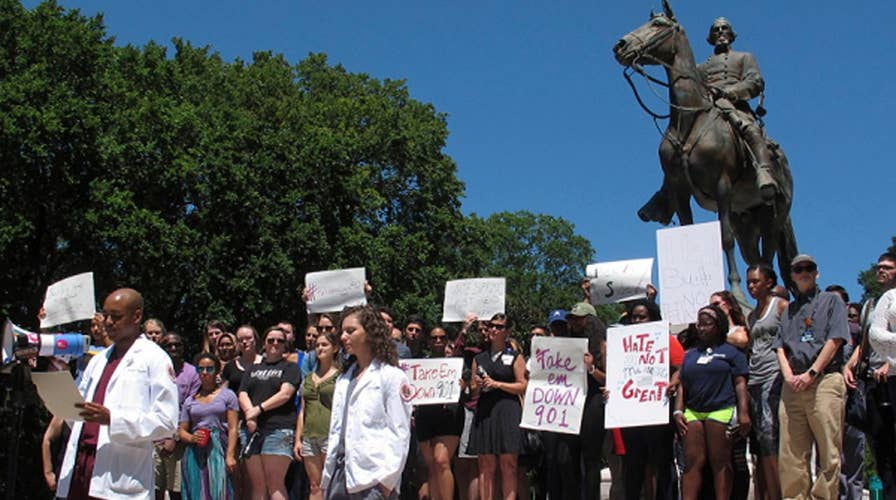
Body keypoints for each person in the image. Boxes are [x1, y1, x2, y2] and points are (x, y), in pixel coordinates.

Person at [56, 288, 179, 500]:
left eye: (117, 316)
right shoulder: (97, 360)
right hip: (81, 465)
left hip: (120, 471)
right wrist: (59, 400)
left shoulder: (154, 358)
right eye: (106, 315)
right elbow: (77, 411)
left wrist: (113, 419)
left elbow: (166, 421)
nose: (108, 322)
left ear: (137, 316)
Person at [774, 254, 850, 499]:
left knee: (829, 450)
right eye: (798, 269)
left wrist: (812, 372)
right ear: (792, 276)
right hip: (793, 384)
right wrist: (788, 375)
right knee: (790, 453)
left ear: (817, 273)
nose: (804, 272)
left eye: (809, 268)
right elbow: (779, 347)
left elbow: (836, 338)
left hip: (824, 380)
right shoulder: (789, 310)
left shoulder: (831, 301)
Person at [322, 305, 412, 499]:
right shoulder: (343, 379)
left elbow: (400, 432)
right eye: (342, 331)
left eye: (351, 331)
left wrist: (387, 482)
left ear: (370, 332)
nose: (343, 337)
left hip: (373, 478)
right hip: (340, 475)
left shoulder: (392, 377)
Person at [675, 304, 750, 500]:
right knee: (692, 462)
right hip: (692, 412)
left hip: (721, 410)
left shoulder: (732, 352)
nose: (701, 328)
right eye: (699, 324)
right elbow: (682, 383)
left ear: (718, 326)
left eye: (706, 324)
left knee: (720, 462)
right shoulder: (690, 355)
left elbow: (740, 383)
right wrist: (678, 411)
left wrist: (743, 413)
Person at [698, 17, 777, 200]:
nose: (720, 32)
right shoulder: (700, 68)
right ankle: (666, 194)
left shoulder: (744, 57)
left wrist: (730, 92)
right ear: (711, 37)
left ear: (731, 34)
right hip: (708, 110)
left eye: (723, 28)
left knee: (749, 129)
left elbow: (755, 82)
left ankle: (764, 171)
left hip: (735, 107)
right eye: (715, 29)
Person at [619, 299, 683, 500]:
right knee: (633, 465)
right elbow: (617, 375)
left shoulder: (665, 339)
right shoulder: (621, 342)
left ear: (653, 318)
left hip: (658, 409)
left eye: (642, 317)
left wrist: (673, 381)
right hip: (632, 413)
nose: (637, 321)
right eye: (634, 317)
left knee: (662, 462)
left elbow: (682, 367)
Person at [468, 313, 528, 500]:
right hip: (485, 411)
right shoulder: (479, 358)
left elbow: (523, 385)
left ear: (507, 331)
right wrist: (476, 386)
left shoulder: (515, 356)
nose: (493, 329)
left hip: (508, 410)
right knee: (485, 464)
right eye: (491, 326)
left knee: (508, 463)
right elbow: (472, 391)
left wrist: (497, 384)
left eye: (499, 326)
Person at [239, 326, 301, 500]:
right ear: (264, 344)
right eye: (271, 340)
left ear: (285, 345)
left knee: (275, 483)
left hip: (278, 430)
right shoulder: (252, 369)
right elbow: (242, 393)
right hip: (251, 430)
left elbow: (285, 393)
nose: (275, 343)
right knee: (257, 485)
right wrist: (250, 416)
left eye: (280, 341)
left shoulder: (290, 368)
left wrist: (258, 410)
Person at [744, 264, 787, 500]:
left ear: (769, 282)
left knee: (771, 436)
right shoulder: (752, 315)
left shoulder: (780, 306)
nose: (751, 286)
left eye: (756, 281)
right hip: (755, 378)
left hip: (775, 375)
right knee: (760, 441)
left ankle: (779, 493)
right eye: (749, 282)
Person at [178, 352, 239, 500]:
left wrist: (230, 455)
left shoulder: (228, 395)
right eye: (201, 369)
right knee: (196, 489)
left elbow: (233, 428)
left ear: (217, 371)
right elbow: (182, 430)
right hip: (196, 450)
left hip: (219, 447)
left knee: (220, 489)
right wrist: (192, 438)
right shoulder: (190, 400)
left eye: (209, 369)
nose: (205, 373)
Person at [415, 326, 464, 500]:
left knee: (441, 461)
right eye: (434, 338)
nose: (438, 341)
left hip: (449, 416)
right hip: (425, 416)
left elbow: (471, 387)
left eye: (442, 338)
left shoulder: (457, 364)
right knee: (432, 465)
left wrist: (463, 385)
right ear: (428, 341)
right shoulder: (419, 365)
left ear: (446, 340)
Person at [294, 328, 341, 500]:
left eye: (325, 345)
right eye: (317, 345)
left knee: (331, 485)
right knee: (314, 485)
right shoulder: (308, 378)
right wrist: (298, 439)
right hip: (309, 436)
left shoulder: (341, 377)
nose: (320, 348)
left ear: (334, 348)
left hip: (330, 435)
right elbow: (303, 410)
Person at [864, 252, 896, 497]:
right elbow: (871, 337)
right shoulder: (874, 303)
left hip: (891, 372)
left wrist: (891, 360)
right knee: (881, 443)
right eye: (879, 267)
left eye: (888, 267)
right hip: (877, 379)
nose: (881, 271)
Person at [156, 332, 201, 500]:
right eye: (168, 345)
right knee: (155, 487)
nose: (173, 348)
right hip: (155, 436)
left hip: (180, 440)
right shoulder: (155, 370)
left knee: (177, 489)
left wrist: (174, 436)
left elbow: (189, 409)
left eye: (177, 344)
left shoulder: (192, 373)